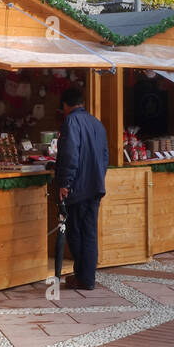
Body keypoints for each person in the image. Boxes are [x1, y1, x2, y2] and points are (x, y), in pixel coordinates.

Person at [55, 85, 108, 290]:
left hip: (77, 187)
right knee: (90, 232)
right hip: (95, 186)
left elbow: (70, 154)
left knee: (76, 232)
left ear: (65, 105)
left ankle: (84, 278)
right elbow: (105, 156)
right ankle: (87, 277)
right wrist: (98, 177)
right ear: (82, 103)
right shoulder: (96, 123)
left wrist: (65, 182)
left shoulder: (70, 121)